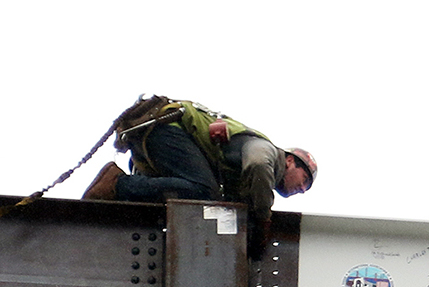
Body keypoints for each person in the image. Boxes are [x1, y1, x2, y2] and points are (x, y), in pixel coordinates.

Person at [82, 100, 315, 244]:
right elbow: (258, 164)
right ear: (289, 161)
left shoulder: (246, 184)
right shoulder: (268, 151)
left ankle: (124, 193)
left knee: (195, 201)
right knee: (203, 193)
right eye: (304, 179)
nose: (302, 189)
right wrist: (263, 218)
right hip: (167, 127)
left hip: (160, 139)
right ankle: (117, 184)